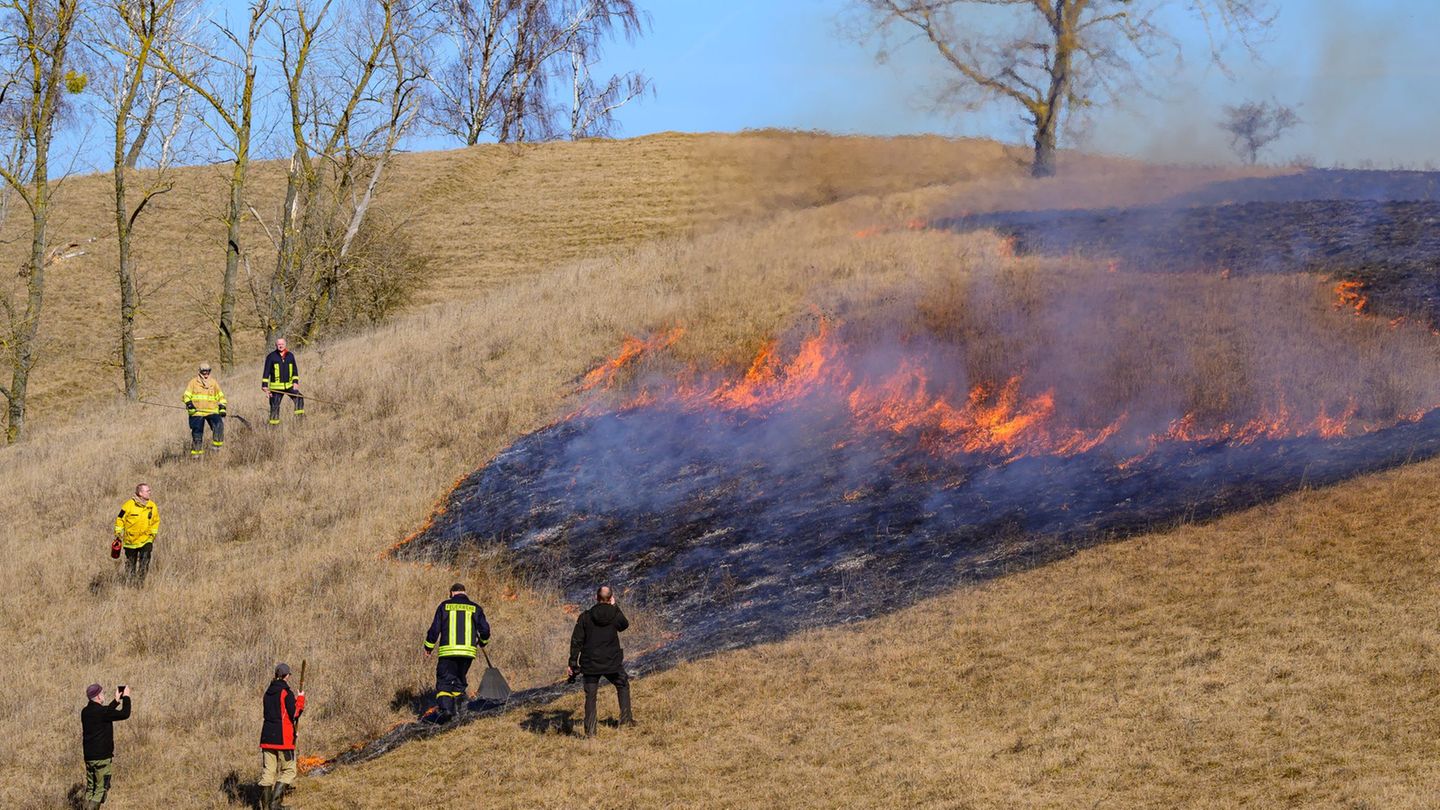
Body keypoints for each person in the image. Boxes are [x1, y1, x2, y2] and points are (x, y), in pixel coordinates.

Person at [568, 585, 633, 737]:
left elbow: (576, 641)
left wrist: (572, 663)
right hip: (611, 662)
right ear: (611, 598)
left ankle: (590, 732)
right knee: (622, 684)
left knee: (590, 696)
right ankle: (626, 720)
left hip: (590, 664)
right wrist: (615, 606)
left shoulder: (585, 616)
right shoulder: (615, 614)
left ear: (596, 598)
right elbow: (624, 625)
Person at [424, 583, 490, 723]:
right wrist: (483, 642)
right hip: (467, 653)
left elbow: (435, 629)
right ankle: (460, 712)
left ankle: (447, 712)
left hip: (448, 652)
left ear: (451, 593)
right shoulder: (475, 608)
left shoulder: (444, 606)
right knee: (460, 681)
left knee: (444, 682)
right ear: (464, 592)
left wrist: (428, 646)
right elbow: (485, 630)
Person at [259, 663, 306, 810]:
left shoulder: (267, 692)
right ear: (287, 676)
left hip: (266, 737)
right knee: (290, 770)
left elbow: (275, 715)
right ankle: (275, 804)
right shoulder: (286, 692)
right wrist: (301, 698)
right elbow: (295, 713)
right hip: (283, 739)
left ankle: (266, 807)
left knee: (268, 771)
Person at [80, 683, 131, 810]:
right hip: (102, 758)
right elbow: (125, 714)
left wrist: (116, 701)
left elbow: (105, 712)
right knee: (100, 790)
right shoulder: (103, 713)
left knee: (91, 788)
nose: (104, 695)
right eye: (102, 693)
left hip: (89, 758)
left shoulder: (85, 712)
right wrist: (127, 697)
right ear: (98, 697)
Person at [113, 484, 159, 586]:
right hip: (131, 541)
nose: (150, 492)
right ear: (140, 493)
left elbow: (156, 521)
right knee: (130, 565)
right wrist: (118, 533)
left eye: (149, 490)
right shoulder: (128, 505)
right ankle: (130, 583)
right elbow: (120, 519)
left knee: (145, 562)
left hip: (146, 539)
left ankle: (140, 583)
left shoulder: (152, 506)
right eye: (147, 491)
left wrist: (152, 535)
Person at [182, 362, 227, 457]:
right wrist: (189, 404)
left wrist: (222, 407)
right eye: (204, 372)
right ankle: (196, 456)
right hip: (197, 412)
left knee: (219, 426)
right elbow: (186, 395)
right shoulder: (193, 382)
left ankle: (216, 450)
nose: (206, 374)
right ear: (200, 372)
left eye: (208, 371)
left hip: (211, 411)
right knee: (197, 434)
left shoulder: (213, 383)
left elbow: (221, 396)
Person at [262, 338, 304, 425]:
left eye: (282, 344)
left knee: (299, 398)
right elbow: (266, 372)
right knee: (274, 407)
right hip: (276, 389)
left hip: (289, 386)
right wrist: (265, 386)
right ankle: (273, 427)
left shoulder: (290, 355)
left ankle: (299, 420)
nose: (280, 346)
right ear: (276, 345)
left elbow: (295, 370)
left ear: (285, 345)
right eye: (278, 344)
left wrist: (295, 382)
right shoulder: (271, 357)